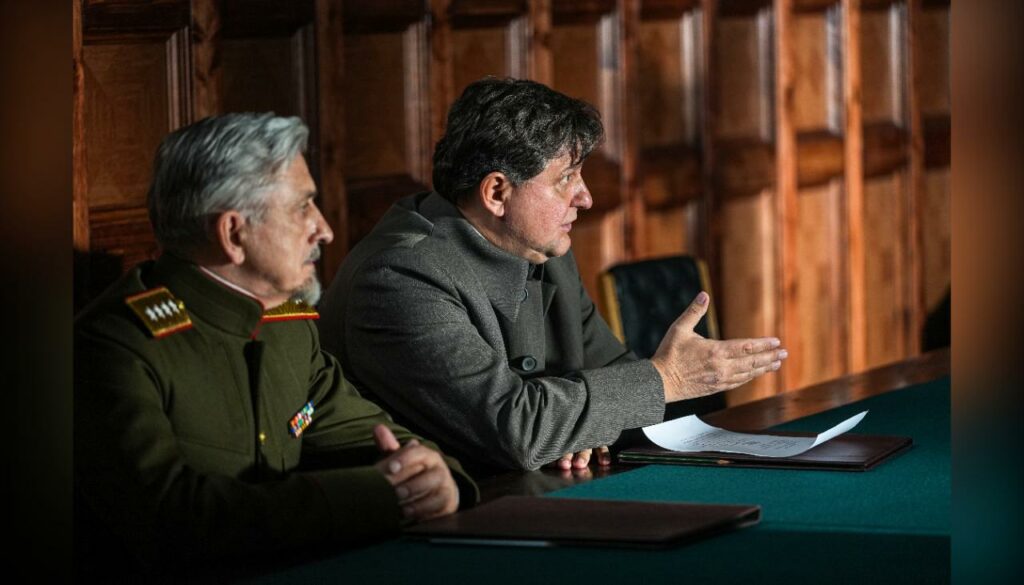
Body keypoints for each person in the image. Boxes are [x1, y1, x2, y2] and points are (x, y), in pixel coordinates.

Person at [74, 113, 476, 578]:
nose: (324, 229)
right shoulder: (115, 345)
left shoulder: (287, 327)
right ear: (233, 233)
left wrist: (436, 476)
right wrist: (383, 496)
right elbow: (171, 519)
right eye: (302, 207)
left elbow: (370, 434)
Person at [317, 77, 788, 473]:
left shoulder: (544, 252)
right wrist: (667, 378)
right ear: (497, 193)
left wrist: (583, 422)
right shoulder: (399, 278)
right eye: (566, 178)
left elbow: (610, 376)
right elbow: (517, 429)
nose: (586, 198)